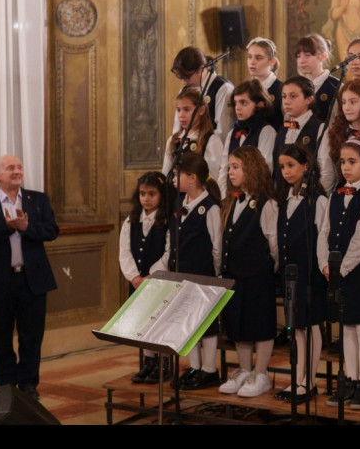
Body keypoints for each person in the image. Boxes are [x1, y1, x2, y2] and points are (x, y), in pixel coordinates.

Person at [0, 154, 59, 401]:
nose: (17, 171)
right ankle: (5, 386)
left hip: (33, 281)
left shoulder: (38, 200)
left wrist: (26, 228)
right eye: (10, 168)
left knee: (32, 337)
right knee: (1, 338)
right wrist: (9, 226)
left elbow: (52, 231)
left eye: (19, 166)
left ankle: (29, 384)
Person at [318, 137, 360, 410]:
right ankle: (349, 379)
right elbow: (324, 231)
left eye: (352, 162)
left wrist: (342, 268)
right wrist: (325, 263)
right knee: (346, 327)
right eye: (342, 162)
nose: (346, 167)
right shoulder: (336, 195)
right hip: (336, 273)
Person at [157, 152, 223, 390]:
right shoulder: (179, 203)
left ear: (192, 178)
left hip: (203, 274)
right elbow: (171, 240)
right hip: (182, 274)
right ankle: (194, 366)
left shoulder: (210, 208)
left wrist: (216, 275)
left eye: (177, 175)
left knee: (206, 323)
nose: (173, 179)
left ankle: (209, 369)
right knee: (189, 322)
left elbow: (217, 246)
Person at [217, 147, 279, 398]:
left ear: (251, 169)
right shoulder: (233, 200)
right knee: (238, 324)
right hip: (235, 275)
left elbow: (274, 244)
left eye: (236, 167)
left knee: (260, 323)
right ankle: (243, 370)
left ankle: (261, 373)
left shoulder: (266, 204)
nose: (230, 172)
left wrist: (268, 270)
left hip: (258, 275)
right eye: (230, 167)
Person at [270, 145, 328, 404]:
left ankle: (309, 381)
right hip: (291, 273)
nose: (286, 172)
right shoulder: (286, 199)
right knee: (296, 329)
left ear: (306, 165)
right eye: (282, 167)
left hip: (310, 272)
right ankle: (299, 377)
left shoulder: (318, 200)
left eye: (291, 165)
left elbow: (322, 238)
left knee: (310, 324)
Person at [119, 171, 170, 384]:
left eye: (151, 194)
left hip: (160, 282)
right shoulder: (131, 221)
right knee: (145, 322)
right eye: (142, 194)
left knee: (161, 321)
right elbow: (124, 251)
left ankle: (164, 363)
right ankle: (149, 362)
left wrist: (153, 275)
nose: (146, 198)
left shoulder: (166, 221)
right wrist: (134, 277)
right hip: (139, 283)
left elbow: (169, 252)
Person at [161, 86, 226, 188]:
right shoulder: (173, 140)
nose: (181, 115)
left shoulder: (210, 140)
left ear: (201, 110)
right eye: (178, 110)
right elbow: (166, 173)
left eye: (186, 110)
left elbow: (212, 178)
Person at [219, 80, 277, 190]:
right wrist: (223, 197)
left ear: (259, 105)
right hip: (232, 197)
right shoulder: (233, 132)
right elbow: (223, 169)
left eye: (243, 103)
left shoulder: (266, 131)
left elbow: (265, 168)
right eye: (235, 103)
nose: (237, 108)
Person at [171, 46, 235, 136]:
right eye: (181, 77)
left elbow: (223, 132)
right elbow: (177, 127)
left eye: (187, 77)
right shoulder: (185, 91)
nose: (184, 82)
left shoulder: (223, 89)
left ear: (201, 69)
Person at [296, 34, 341, 121]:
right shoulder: (295, 86)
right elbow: (287, 123)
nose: (301, 61)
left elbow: (340, 124)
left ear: (323, 56)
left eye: (307, 55)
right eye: (298, 56)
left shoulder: (337, 87)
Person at [246, 37, 285, 129]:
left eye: (258, 58)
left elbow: (288, 124)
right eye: (249, 57)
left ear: (272, 61)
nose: (252, 62)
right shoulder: (246, 89)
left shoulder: (281, 89)